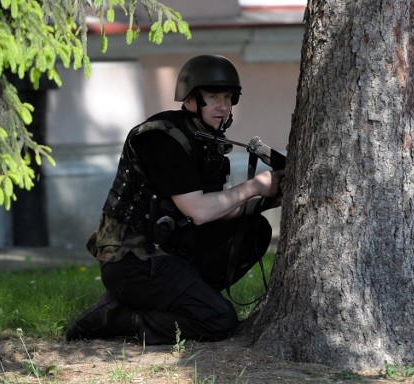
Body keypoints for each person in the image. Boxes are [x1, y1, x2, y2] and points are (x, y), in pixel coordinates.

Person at [66, 55, 284, 344]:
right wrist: (255, 186)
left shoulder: (206, 141)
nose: (223, 105)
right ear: (191, 100)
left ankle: (186, 300)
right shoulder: (161, 139)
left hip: (170, 252)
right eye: (213, 97)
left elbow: (218, 210)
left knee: (254, 229)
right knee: (219, 320)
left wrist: (273, 197)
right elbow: (199, 212)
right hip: (131, 259)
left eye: (228, 98)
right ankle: (116, 318)